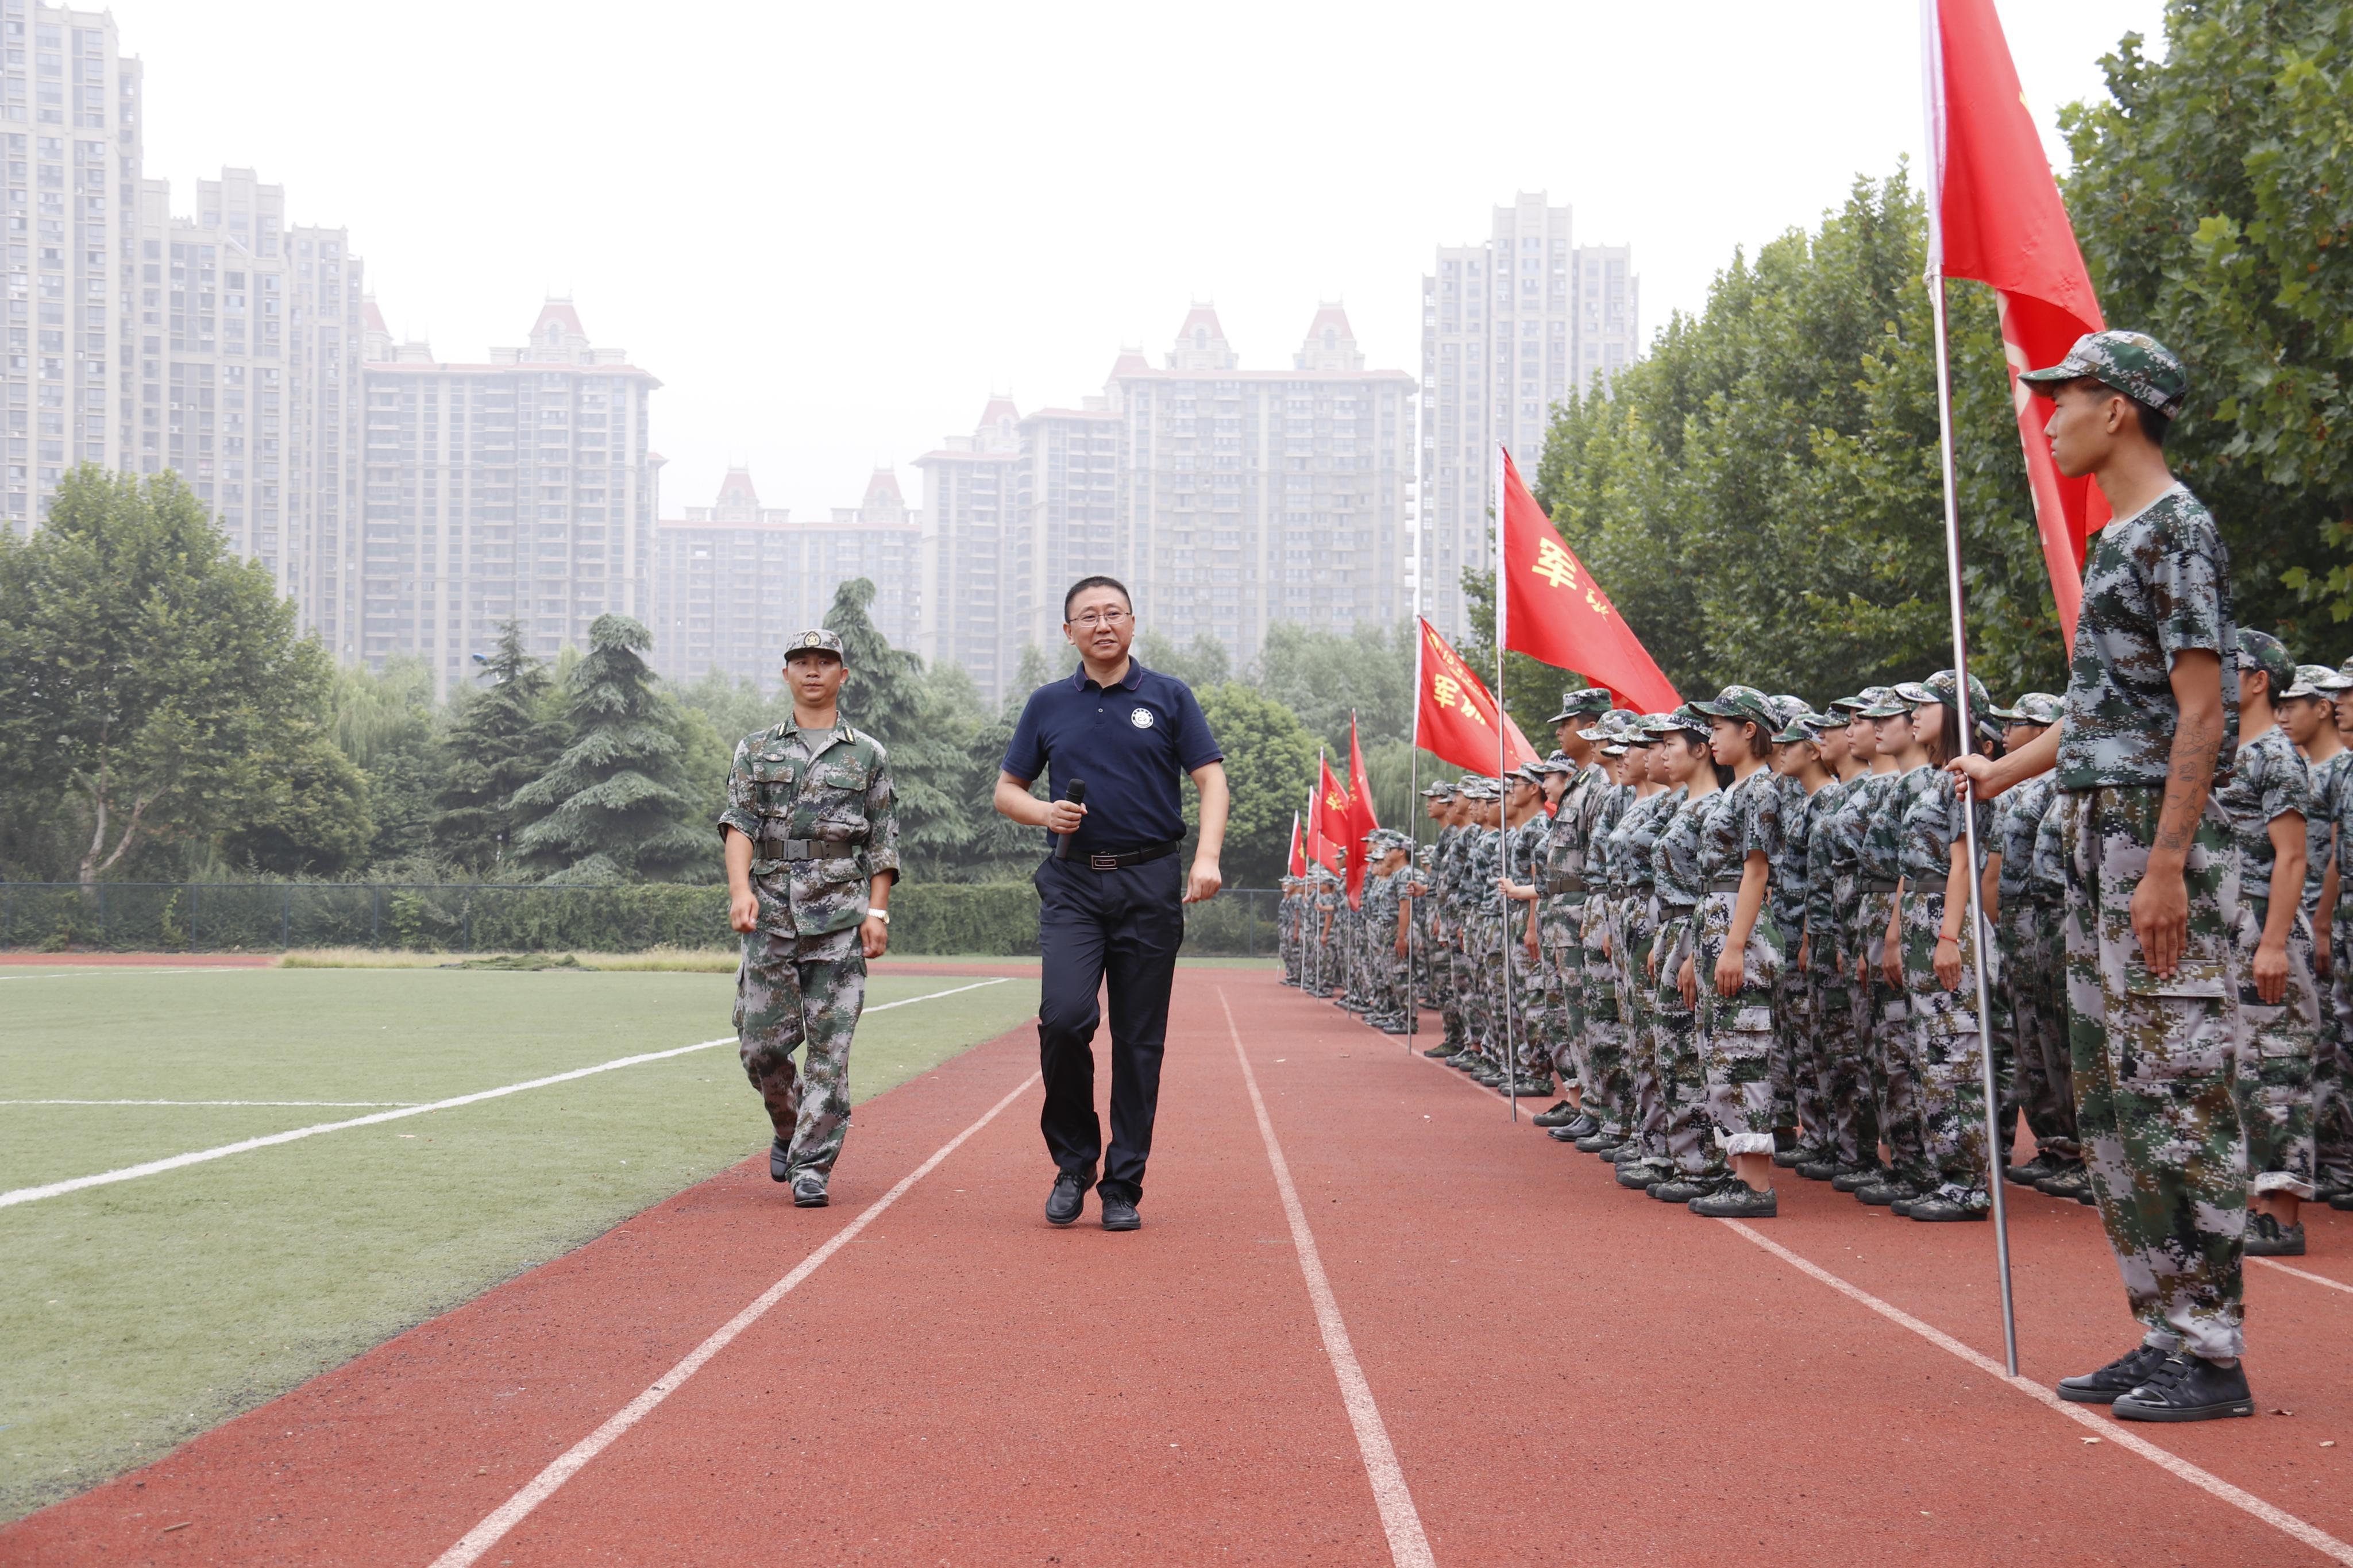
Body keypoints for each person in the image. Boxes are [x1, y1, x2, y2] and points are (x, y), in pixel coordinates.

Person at [1955, 329, 2254, 1422]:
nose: (2050, 416)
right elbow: (2096, 716)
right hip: (2096, 828)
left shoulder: (2178, 531)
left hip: (2148, 838)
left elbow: (2200, 709)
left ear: (2119, 407)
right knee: (2117, 1100)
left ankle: (2213, 1353)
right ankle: (2163, 1327)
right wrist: (1996, 774)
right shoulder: (2120, 539)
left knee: (2179, 1093)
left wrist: (2169, 860)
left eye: (2064, 398)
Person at [995, 576, 1228, 1234]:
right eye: (1087, 616)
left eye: (1113, 613)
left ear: (1132, 622)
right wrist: (1044, 810)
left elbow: (1210, 779)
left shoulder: (1168, 697)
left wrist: (1205, 857)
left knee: (1138, 1041)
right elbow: (1006, 790)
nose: (1102, 624)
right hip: (1071, 884)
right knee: (1064, 1019)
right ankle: (1074, 1162)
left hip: (1149, 883)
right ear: (1067, 632)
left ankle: (1123, 1185)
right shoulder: (1047, 704)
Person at [718, 628, 899, 1210]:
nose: (813, 670)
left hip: (839, 917)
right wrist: (740, 891)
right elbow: (739, 825)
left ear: (844, 675)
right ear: (787, 674)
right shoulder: (756, 749)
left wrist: (877, 912)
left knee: (830, 1048)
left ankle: (812, 1165)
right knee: (759, 1046)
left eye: (825, 662)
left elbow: (882, 843)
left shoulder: (867, 754)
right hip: (770, 913)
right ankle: (787, 1124)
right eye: (802, 661)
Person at [1882, 670, 1999, 1223]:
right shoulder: (1932, 776)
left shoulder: (1966, 776)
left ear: (1954, 711)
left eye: (1923, 705)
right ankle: (1941, 1170)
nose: (1912, 716)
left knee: (1954, 1053)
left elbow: (1962, 863)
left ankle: (1967, 1182)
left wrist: (1950, 935)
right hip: (1923, 916)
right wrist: (1899, 931)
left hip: (1947, 916)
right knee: (1930, 1052)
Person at [2217, 630, 2317, 1256]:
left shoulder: (2275, 755)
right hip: (2230, 925)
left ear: (2259, 681)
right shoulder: (2225, 749)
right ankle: (2254, 1201)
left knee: (2276, 1063)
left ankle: (2282, 1218)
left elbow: (2292, 857)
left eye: (2232, 666)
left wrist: (2274, 943)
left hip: (2264, 921)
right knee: (2241, 1068)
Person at [1985, 692, 2074, 1191]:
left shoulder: (2056, 789)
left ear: (2044, 732)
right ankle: (2055, 1143)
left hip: (2049, 920)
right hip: (2021, 926)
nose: (2006, 732)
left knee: (2060, 1037)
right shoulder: (2022, 789)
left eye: (2017, 724)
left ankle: (2078, 1145)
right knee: (2031, 1040)